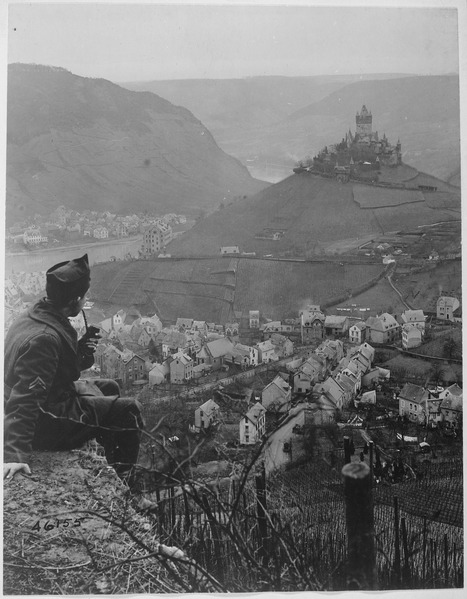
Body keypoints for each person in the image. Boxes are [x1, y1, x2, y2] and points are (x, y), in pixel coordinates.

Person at [3, 254, 145, 497]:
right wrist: (13, 455)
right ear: (75, 300)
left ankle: (111, 465)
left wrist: (79, 350)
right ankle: (127, 489)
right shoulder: (44, 339)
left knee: (109, 386)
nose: (86, 300)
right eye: (85, 296)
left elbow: (57, 372)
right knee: (129, 410)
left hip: (53, 399)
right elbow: (26, 398)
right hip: (45, 421)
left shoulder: (38, 315)